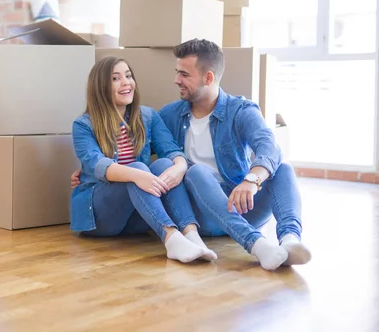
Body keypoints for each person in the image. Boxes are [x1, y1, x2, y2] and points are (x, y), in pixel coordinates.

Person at [72, 39, 312, 271]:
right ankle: (249, 243)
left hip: (240, 203)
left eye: (184, 75)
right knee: (191, 170)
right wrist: (93, 170)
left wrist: (252, 179)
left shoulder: (240, 110)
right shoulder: (169, 115)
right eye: (177, 72)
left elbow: (269, 147)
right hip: (199, 212)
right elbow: (128, 157)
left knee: (283, 168)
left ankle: (290, 241)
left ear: (208, 78)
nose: (177, 80)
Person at [70, 56, 217, 263]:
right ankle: (171, 238)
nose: (126, 83)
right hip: (101, 219)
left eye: (128, 76)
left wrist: (179, 167)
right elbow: (96, 164)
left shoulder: (147, 116)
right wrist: (138, 174)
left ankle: (191, 234)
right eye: (115, 78)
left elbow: (171, 150)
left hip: (139, 217)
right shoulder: (84, 125)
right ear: (100, 86)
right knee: (138, 167)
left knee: (165, 165)